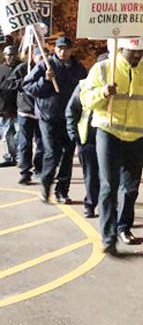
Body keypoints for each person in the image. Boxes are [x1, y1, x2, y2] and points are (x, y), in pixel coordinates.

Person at [80, 37, 143, 254]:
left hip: (139, 137)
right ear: (121, 49)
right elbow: (86, 99)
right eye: (133, 51)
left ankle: (124, 228)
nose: (137, 55)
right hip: (110, 133)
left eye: (141, 52)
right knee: (109, 186)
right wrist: (103, 93)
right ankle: (108, 237)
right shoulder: (103, 69)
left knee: (130, 188)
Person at [23, 37, 86, 204]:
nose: (62, 52)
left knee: (67, 155)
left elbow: (86, 90)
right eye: (59, 48)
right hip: (48, 117)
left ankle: (62, 191)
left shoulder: (78, 68)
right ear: (55, 49)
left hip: (70, 118)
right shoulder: (46, 65)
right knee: (52, 153)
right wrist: (45, 79)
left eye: (66, 48)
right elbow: (28, 87)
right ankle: (46, 185)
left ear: (71, 50)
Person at [66, 53, 108, 219]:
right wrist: (73, 134)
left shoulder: (118, 86)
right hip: (88, 139)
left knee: (109, 177)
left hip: (111, 138)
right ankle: (90, 204)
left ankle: (109, 209)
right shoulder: (84, 86)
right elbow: (71, 110)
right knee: (91, 175)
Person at [5, 48, 44, 184]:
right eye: (39, 56)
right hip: (25, 111)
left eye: (44, 56)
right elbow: (9, 84)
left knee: (41, 143)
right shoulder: (23, 68)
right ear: (34, 57)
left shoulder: (49, 68)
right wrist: (24, 81)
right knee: (25, 143)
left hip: (42, 112)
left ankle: (39, 169)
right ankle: (25, 172)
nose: (42, 59)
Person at [0, 45, 19, 166]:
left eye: (13, 55)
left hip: (20, 107)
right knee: (7, 134)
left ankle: (19, 155)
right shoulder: (1, 69)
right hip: (4, 107)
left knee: (19, 133)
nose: (11, 57)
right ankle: (10, 156)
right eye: (8, 55)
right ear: (4, 55)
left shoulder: (22, 67)